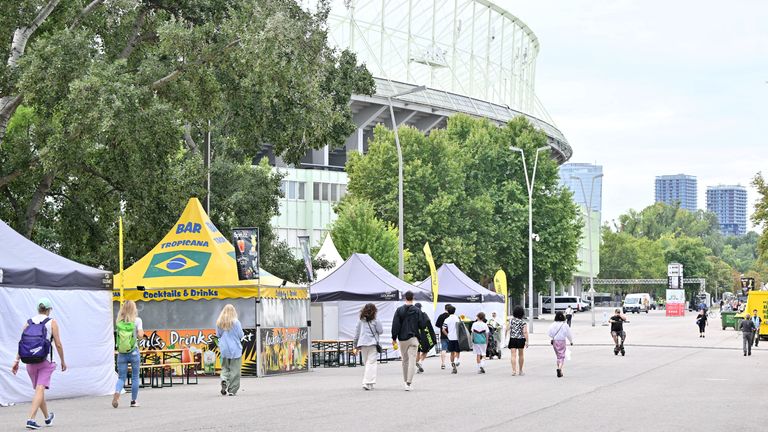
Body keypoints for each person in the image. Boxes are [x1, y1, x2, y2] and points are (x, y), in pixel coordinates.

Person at [12, 298, 67, 429]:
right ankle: (30, 419)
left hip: (29, 362)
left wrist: (16, 361)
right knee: (40, 389)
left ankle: (48, 418)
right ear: (49, 310)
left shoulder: (28, 322)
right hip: (44, 362)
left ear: (38, 309)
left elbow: (23, 344)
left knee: (39, 390)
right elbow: (58, 344)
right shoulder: (52, 322)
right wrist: (63, 361)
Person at [391, 291, 429, 391]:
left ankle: (405, 382)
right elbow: (422, 325)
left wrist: (394, 338)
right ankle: (409, 383)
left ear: (405, 298)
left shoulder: (399, 310)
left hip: (402, 338)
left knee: (405, 360)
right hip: (414, 337)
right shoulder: (417, 310)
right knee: (412, 360)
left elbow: (395, 325)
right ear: (413, 298)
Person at [113, 300, 144, 408]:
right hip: (134, 352)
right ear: (134, 309)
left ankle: (117, 391)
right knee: (135, 377)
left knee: (121, 377)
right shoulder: (137, 320)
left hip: (121, 353)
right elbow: (140, 335)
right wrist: (140, 334)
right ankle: (133, 401)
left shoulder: (119, 321)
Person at [216, 304, 244, 396]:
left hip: (224, 348)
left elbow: (218, 335)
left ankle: (224, 380)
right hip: (235, 348)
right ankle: (232, 390)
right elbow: (241, 335)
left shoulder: (219, 322)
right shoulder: (236, 322)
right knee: (235, 370)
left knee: (225, 368)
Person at [353, 303, 383, 390]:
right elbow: (380, 331)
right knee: (371, 363)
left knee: (367, 363)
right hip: (372, 344)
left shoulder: (360, 320)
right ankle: (367, 382)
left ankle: (370, 383)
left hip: (362, 344)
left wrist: (355, 345)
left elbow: (357, 334)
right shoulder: (376, 320)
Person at [547, 312, 573, 378]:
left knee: (558, 356)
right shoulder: (565, 325)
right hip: (562, 341)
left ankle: (560, 370)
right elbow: (569, 334)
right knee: (562, 356)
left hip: (555, 341)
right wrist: (571, 341)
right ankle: (560, 369)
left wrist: (554, 336)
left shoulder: (552, 324)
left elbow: (549, 333)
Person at [505, 306, 529, 376]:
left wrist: (505, 337)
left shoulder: (511, 321)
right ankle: (520, 371)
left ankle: (513, 371)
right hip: (521, 339)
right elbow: (525, 332)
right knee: (521, 355)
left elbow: (507, 329)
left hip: (513, 339)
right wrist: (527, 341)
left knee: (513, 355)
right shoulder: (523, 322)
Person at [413, 303, 435, 374]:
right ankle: (420, 362)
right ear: (421, 308)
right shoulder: (424, 315)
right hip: (423, 336)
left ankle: (418, 367)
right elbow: (428, 324)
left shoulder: (412, 316)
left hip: (415, 336)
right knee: (425, 350)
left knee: (417, 352)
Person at [442, 304, 461, 374]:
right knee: (458, 351)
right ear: (454, 311)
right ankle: (456, 361)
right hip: (457, 337)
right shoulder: (457, 318)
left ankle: (453, 366)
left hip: (451, 338)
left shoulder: (446, 319)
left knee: (452, 352)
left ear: (448, 312)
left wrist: (448, 335)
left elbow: (443, 329)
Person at [434, 304, 451, 370]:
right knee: (453, 350)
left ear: (445, 308)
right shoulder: (451, 316)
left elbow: (437, 325)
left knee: (443, 349)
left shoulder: (441, 316)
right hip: (451, 335)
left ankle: (443, 363)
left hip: (443, 335)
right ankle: (454, 362)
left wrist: (442, 327)